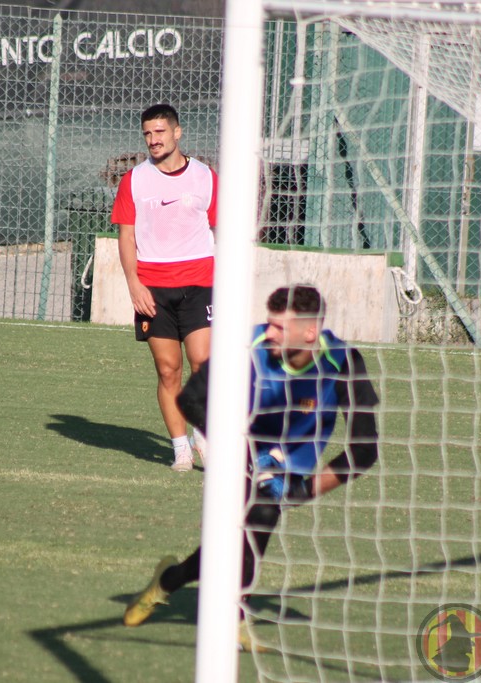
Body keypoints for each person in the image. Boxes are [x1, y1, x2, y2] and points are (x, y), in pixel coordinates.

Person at [122, 285, 381, 650]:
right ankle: (232, 618)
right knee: (250, 530)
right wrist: (243, 453)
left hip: (292, 463)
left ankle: (167, 582)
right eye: (269, 323)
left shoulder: (343, 362)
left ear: (310, 332)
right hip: (240, 448)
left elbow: (365, 450)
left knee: (239, 539)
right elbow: (191, 400)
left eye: (280, 327)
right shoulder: (245, 347)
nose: (269, 332)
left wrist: (303, 491)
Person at [111, 103, 218, 473]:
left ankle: (203, 433)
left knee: (203, 364)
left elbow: (222, 228)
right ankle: (181, 450)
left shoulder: (205, 176)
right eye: (147, 133)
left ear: (177, 132)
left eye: (159, 132)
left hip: (200, 282)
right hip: (153, 289)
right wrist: (133, 284)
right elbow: (126, 236)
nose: (153, 139)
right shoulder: (134, 180)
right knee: (169, 369)